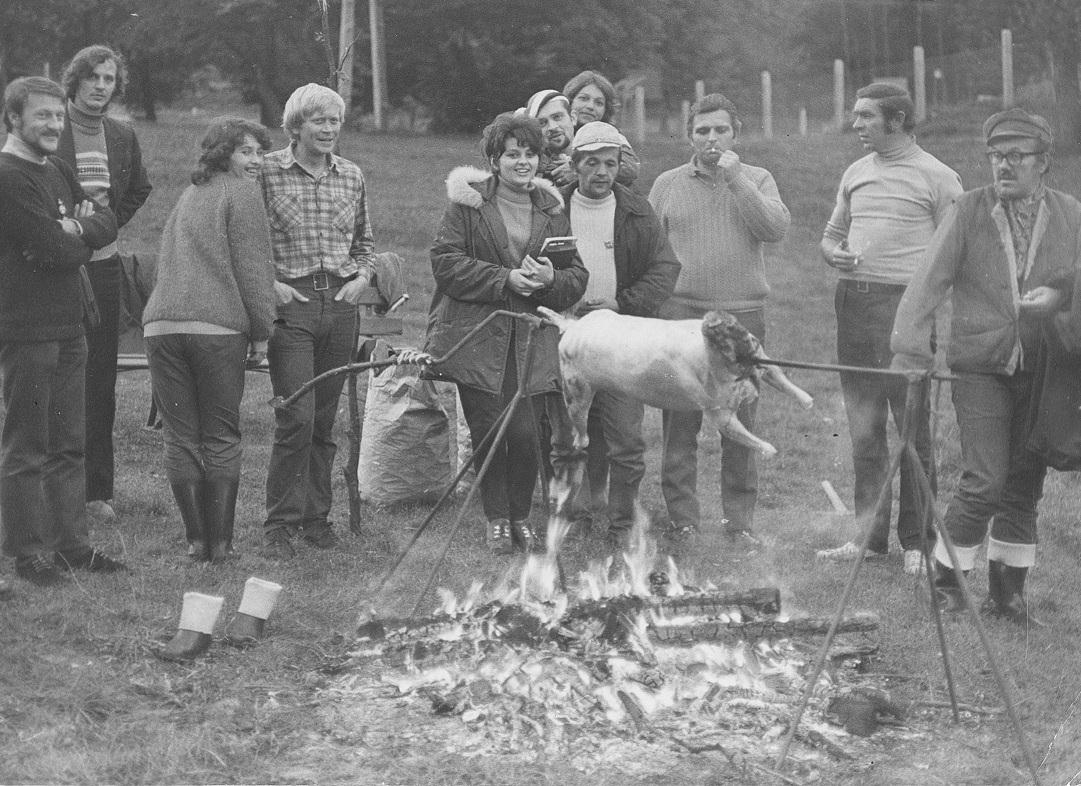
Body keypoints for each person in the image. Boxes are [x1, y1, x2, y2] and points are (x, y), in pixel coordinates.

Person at [891, 108, 1079, 626]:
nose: (1003, 166)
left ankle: (1008, 597)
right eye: (996, 157)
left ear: (1044, 163)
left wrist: (1062, 292)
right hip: (979, 366)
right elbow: (928, 282)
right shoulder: (969, 210)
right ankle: (948, 586)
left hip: (1044, 368)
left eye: (1015, 157)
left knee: (1024, 481)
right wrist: (910, 352)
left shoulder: (1070, 214)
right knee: (984, 479)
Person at [424, 112, 587, 554]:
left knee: (527, 435)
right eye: (512, 154)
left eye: (530, 154)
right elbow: (445, 262)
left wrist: (551, 279)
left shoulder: (552, 209)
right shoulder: (468, 203)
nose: (522, 162)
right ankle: (497, 518)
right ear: (494, 161)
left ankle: (520, 514)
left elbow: (577, 276)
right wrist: (504, 279)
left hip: (531, 340)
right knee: (489, 430)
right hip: (479, 336)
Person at [816, 83, 962, 575]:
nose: (855, 124)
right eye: (856, 117)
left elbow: (954, 254)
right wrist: (832, 254)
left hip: (906, 312)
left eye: (865, 117)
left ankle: (918, 543)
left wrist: (920, 311)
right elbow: (832, 235)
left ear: (897, 120)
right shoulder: (856, 172)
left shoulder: (939, 177)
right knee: (864, 428)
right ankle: (868, 540)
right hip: (853, 305)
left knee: (913, 432)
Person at [0, 76, 127, 586]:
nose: (55, 125)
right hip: (25, 329)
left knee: (69, 443)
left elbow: (107, 221)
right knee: (27, 444)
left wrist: (75, 230)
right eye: (42, 117)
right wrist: (73, 234)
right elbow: (53, 249)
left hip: (72, 325)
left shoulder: (55, 168)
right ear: (14, 120)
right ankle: (30, 555)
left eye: (58, 115)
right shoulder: (8, 177)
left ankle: (72, 546)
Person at [648, 93, 790, 542]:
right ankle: (683, 520)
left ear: (736, 133)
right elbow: (651, 249)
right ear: (689, 135)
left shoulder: (758, 178)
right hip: (683, 315)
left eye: (720, 130)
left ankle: (739, 523)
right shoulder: (667, 183)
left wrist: (736, 181)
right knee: (680, 420)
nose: (711, 139)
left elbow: (774, 229)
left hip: (743, 315)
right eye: (702, 130)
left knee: (741, 419)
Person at [143, 118, 277, 562]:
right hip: (216, 329)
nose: (256, 162)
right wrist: (262, 332)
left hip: (161, 327)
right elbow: (254, 272)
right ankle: (220, 544)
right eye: (246, 152)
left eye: (260, 152)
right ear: (224, 155)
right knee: (220, 435)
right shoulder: (242, 194)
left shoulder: (189, 194)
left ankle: (195, 542)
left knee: (180, 437)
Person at [259, 83, 376, 560]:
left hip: (340, 305)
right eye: (318, 121)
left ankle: (316, 519)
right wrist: (269, 283)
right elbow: (247, 238)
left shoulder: (350, 175)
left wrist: (362, 279)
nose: (328, 130)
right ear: (295, 127)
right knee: (297, 416)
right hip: (294, 305)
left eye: (334, 121)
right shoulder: (266, 171)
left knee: (324, 421)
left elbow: (365, 241)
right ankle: (278, 525)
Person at [548, 121, 679, 543]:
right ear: (575, 165)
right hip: (568, 337)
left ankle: (622, 524)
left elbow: (665, 270)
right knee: (568, 436)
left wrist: (622, 303)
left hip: (620, 339)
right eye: (591, 163)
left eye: (610, 163)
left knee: (626, 439)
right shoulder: (553, 208)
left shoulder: (637, 211)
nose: (601, 172)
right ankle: (574, 518)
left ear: (620, 165)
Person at [57, 45, 153, 525]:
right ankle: (54, 486)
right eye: (92, 77)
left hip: (104, 267)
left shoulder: (121, 133)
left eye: (109, 79)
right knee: (56, 378)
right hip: (56, 270)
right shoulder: (52, 128)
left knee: (100, 381)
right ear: (74, 80)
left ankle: (97, 492)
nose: (100, 86)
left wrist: (107, 224)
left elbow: (138, 188)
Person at [560, 71, 641, 187]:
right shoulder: (558, 130)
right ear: (570, 101)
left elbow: (630, 168)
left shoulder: (611, 134)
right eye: (583, 98)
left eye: (598, 103)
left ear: (605, 110)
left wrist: (578, 171)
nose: (590, 106)